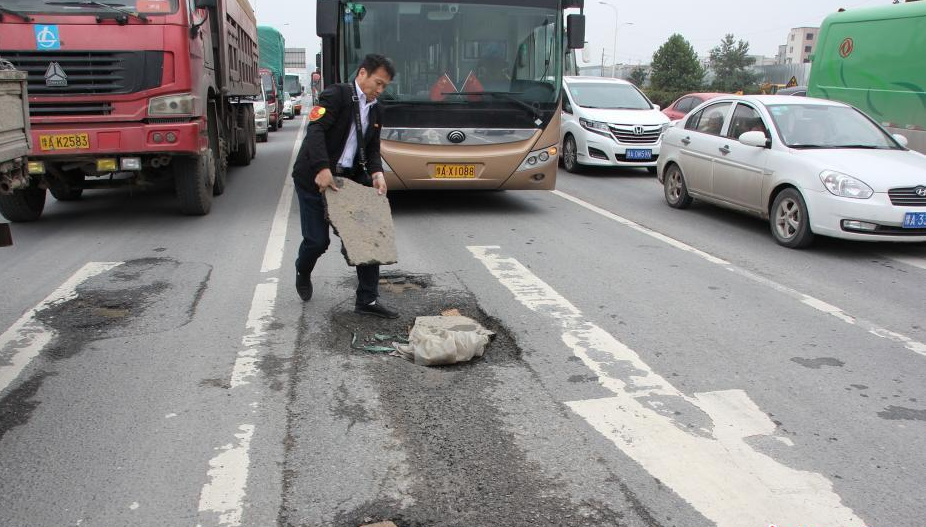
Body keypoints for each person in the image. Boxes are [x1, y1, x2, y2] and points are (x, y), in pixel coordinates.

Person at [291, 53, 399, 319]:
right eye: (378, 83)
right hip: (313, 178)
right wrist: (322, 168)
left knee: (368, 236)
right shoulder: (335, 95)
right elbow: (315, 130)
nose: (380, 90)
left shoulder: (376, 109)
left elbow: (372, 146)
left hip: (348, 180)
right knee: (317, 241)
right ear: (362, 74)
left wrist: (377, 173)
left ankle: (367, 300)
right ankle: (303, 270)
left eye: (385, 86)